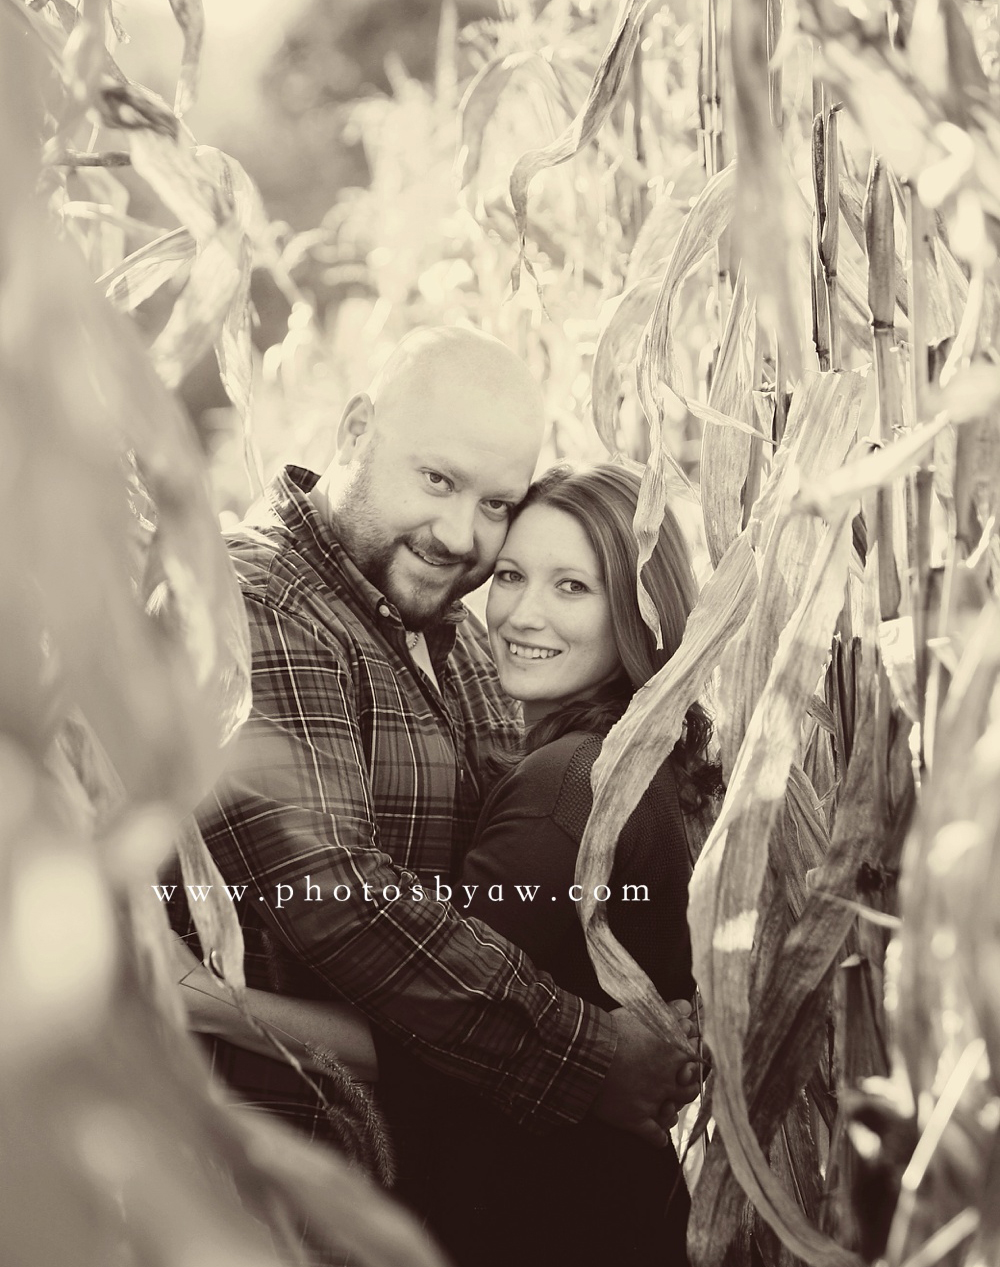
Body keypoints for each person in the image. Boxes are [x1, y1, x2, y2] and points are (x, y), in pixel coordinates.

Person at [168, 328, 699, 1206]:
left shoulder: (450, 638)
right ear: (353, 431)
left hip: (435, 1192)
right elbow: (338, 900)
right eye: (438, 480)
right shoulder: (254, 602)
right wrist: (590, 1054)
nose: (462, 535)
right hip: (273, 1183)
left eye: (497, 504)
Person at [381, 461, 716, 1267]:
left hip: (541, 1224)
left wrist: (210, 1005)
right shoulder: (636, 762)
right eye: (510, 575)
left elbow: (439, 1036)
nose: (522, 614)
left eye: (573, 586)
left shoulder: (567, 789)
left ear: (642, 611)